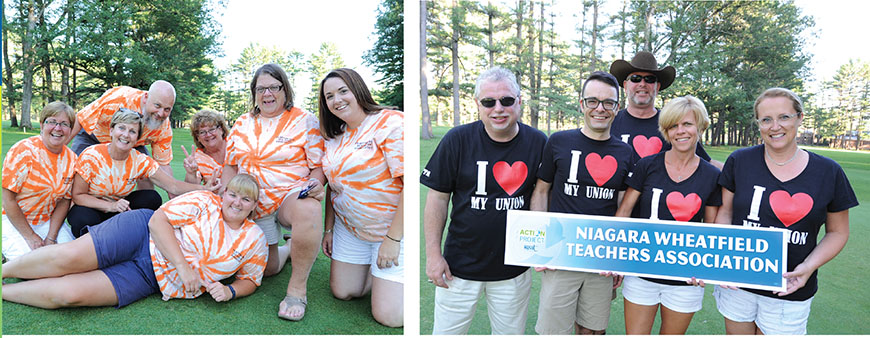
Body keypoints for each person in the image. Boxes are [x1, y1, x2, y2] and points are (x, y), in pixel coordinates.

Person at [1, 174, 268, 309]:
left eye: (245, 199)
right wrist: (184, 268)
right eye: (232, 194)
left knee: (68, 295)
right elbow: (157, 221)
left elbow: (250, 279)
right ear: (224, 195)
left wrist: (230, 291)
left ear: (254, 206)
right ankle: (4, 271)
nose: (236, 202)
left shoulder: (253, 238)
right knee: (67, 258)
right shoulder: (205, 201)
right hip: (139, 233)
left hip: (151, 277)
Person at [712, 88, 858, 335]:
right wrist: (724, 259)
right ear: (758, 123)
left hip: (791, 289)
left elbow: (838, 232)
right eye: (766, 119)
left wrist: (808, 267)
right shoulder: (740, 161)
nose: (775, 126)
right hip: (738, 286)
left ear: (800, 118)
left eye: (784, 117)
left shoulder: (828, 172)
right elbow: (725, 213)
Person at [422, 66, 547, 335]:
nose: (498, 108)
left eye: (507, 100)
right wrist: (433, 256)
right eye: (489, 102)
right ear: (477, 104)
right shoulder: (457, 139)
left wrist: (541, 247)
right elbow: (437, 198)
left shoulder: (538, 142)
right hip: (458, 266)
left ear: (519, 101)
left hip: (513, 268)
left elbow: (542, 195)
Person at [529, 71, 633, 335]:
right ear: (582, 104)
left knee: (593, 329)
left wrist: (618, 255)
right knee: (553, 331)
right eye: (592, 101)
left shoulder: (625, 152)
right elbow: (541, 191)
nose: (600, 108)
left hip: (600, 257)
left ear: (617, 108)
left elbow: (623, 205)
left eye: (608, 102)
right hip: (560, 255)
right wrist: (540, 242)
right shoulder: (558, 142)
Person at [223, 63, 326, 321]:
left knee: (310, 208)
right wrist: (226, 197)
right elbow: (230, 165)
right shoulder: (242, 123)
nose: (267, 94)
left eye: (273, 87)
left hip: (288, 197)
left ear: (285, 90)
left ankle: (297, 290)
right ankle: (291, 248)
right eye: (261, 89)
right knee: (267, 270)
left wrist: (315, 185)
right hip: (251, 202)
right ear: (254, 93)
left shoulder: (304, 121)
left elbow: (318, 167)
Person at [614, 95, 722, 334]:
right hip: (641, 272)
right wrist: (616, 259)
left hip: (686, 278)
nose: (680, 131)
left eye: (687, 124)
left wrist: (705, 266)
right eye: (673, 126)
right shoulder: (647, 165)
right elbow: (624, 212)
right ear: (665, 131)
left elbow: (713, 229)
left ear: (701, 127)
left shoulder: (711, 176)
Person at [318, 68, 404, 327]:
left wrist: (392, 239)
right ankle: (372, 271)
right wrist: (329, 229)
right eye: (329, 96)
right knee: (343, 292)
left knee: (388, 317)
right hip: (351, 229)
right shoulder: (334, 138)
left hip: (390, 230)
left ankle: (388, 272)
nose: (337, 100)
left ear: (358, 89)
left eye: (343, 91)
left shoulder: (390, 123)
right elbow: (333, 187)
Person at [66, 108, 217, 237]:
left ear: (137, 139)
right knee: (81, 218)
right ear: (111, 131)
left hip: (118, 208)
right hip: (91, 207)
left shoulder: (140, 160)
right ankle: (94, 244)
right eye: (122, 128)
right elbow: (78, 196)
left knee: (151, 197)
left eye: (132, 131)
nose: (126, 135)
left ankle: (128, 235)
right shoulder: (91, 155)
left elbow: (173, 186)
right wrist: (110, 206)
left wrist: (204, 188)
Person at [608, 51, 723, 169]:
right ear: (626, 85)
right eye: (636, 78)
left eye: (650, 79)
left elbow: (705, 162)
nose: (642, 84)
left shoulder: (673, 124)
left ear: (657, 87)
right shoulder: (609, 122)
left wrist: (737, 175)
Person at [2, 102, 78, 261]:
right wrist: (30, 236)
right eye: (52, 122)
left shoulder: (72, 159)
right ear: (42, 125)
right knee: (34, 264)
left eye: (64, 124)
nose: (58, 128)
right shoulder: (23, 151)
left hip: (46, 221)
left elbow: (64, 201)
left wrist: (51, 237)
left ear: (71, 129)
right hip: (14, 221)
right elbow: (8, 199)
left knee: (71, 258)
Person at [68, 80, 177, 191]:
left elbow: (163, 164)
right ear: (146, 97)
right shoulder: (118, 99)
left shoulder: (163, 127)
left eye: (167, 109)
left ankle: (142, 206)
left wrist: (173, 195)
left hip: (130, 144)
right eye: (157, 105)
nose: (160, 113)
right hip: (93, 137)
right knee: (75, 171)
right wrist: (58, 148)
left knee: (147, 173)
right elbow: (81, 119)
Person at [181, 109, 229, 185]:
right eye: (202, 132)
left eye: (212, 130)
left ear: (221, 130)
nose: (208, 135)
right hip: (214, 196)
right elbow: (192, 188)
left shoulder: (235, 146)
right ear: (198, 137)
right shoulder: (198, 158)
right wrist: (191, 173)